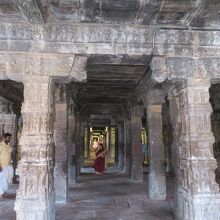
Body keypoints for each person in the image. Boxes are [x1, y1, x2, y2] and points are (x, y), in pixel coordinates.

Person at [0, 133, 13, 199]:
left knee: (9, 177)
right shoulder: (1, 145)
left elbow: (10, 154)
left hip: (9, 165)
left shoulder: (9, 145)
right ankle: (1, 193)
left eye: (10, 138)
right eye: (8, 138)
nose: (9, 139)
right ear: (4, 138)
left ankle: (3, 191)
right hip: (2, 165)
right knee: (3, 179)